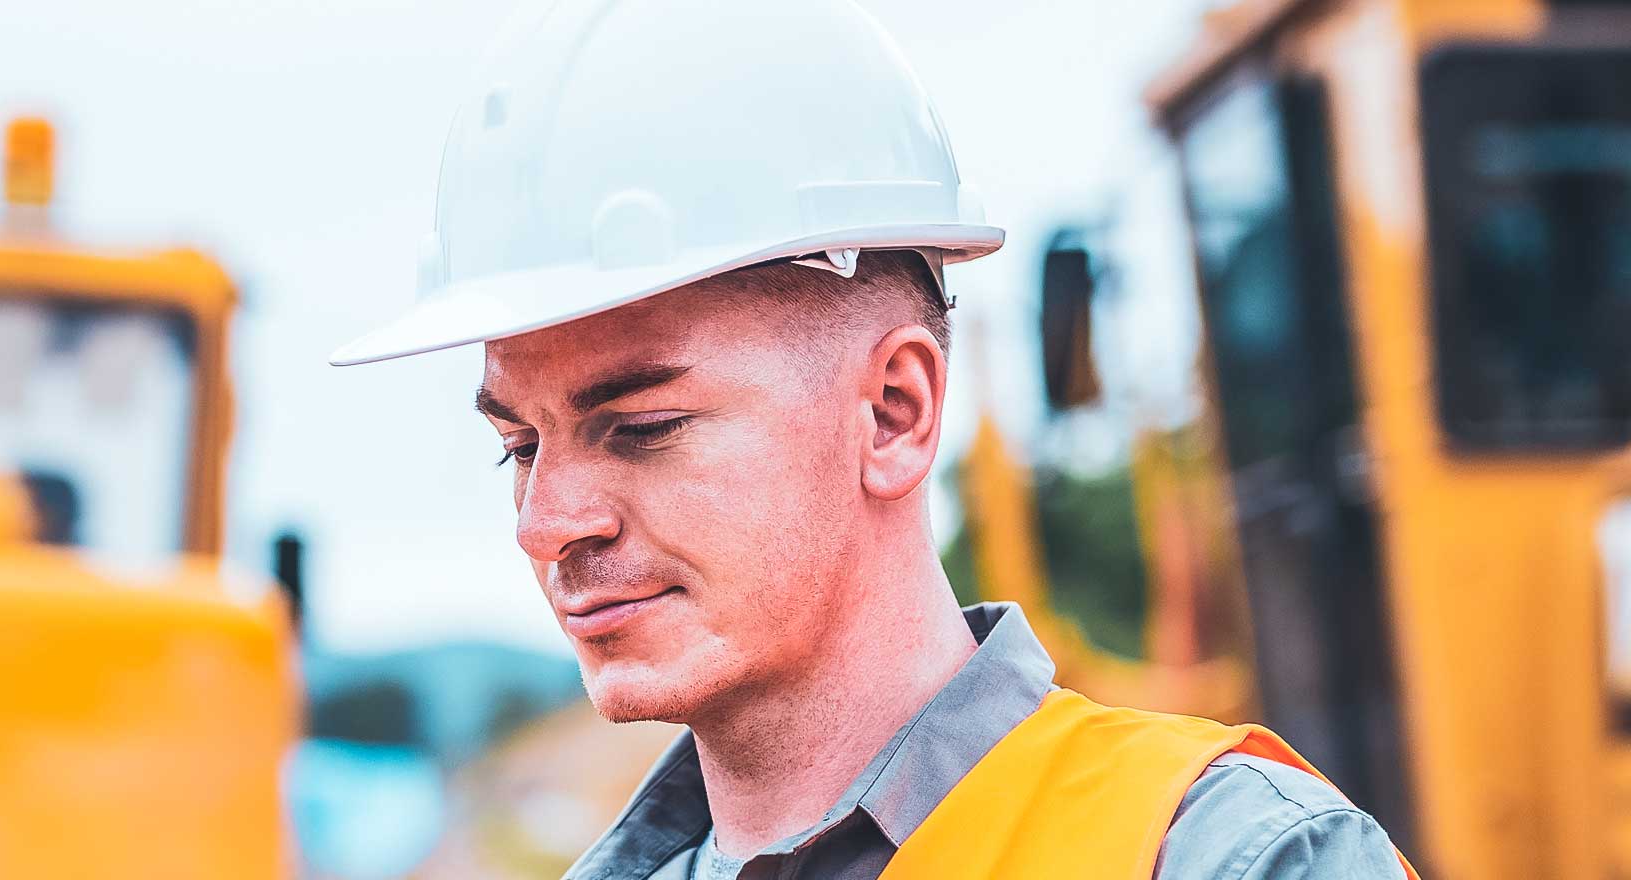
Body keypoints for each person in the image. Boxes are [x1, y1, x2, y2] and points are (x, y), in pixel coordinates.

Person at [327, 1, 1416, 878]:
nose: (548, 522)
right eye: (519, 445)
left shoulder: (1227, 857)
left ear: (893, 412)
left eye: (643, 428)